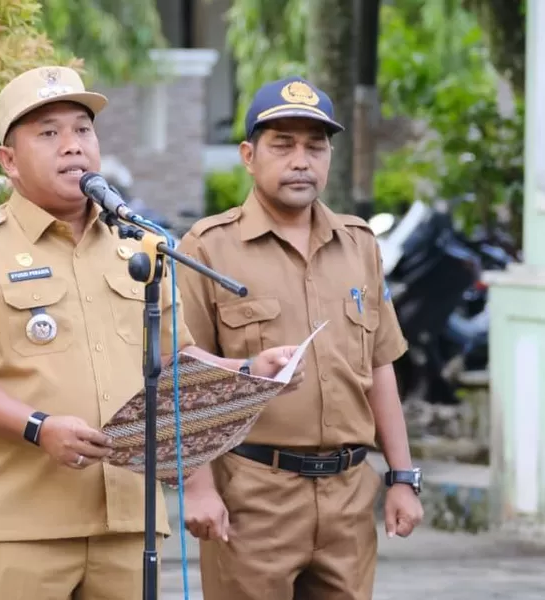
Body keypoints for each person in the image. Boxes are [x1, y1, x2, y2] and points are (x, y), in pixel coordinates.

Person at [0, 65, 306, 600]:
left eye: (83, 130)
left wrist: (248, 370)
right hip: (23, 525)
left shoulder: (139, 248)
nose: (72, 147)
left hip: (129, 521)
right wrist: (39, 427)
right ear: (8, 160)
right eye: (48, 133)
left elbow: (177, 362)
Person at [174, 76, 425, 600]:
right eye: (282, 145)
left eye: (316, 146)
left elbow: (380, 366)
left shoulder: (359, 246)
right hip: (253, 495)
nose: (301, 160)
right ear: (248, 155)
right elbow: (184, 374)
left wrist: (403, 476)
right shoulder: (208, 248)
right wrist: (197, 488)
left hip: (348, 497)